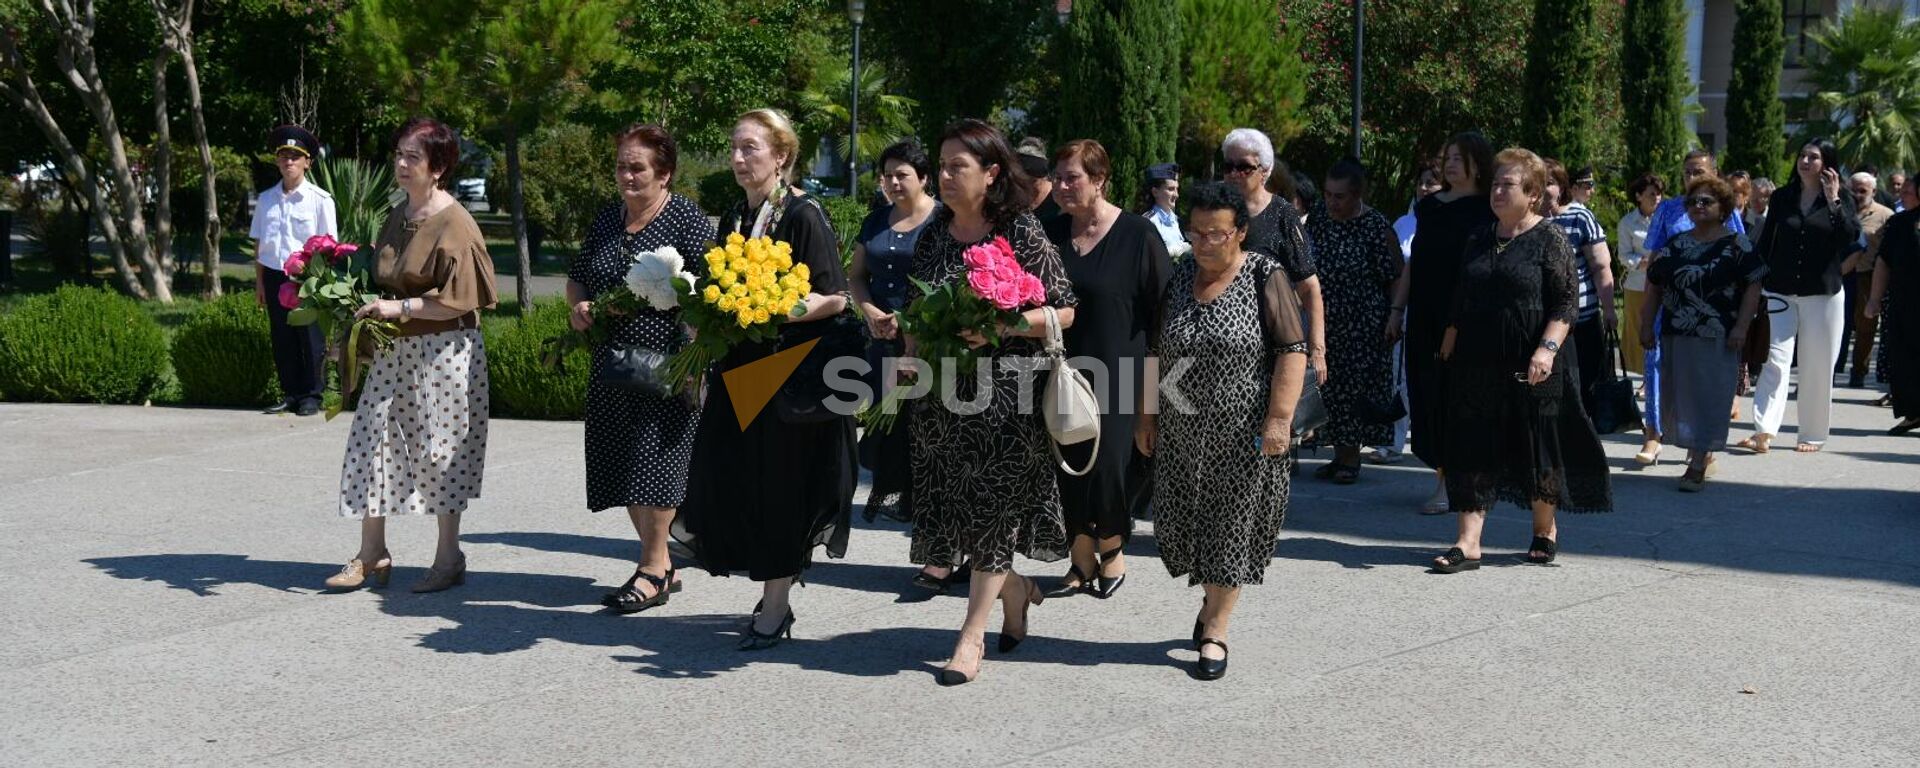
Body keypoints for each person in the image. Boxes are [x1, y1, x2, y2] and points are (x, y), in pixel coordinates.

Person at [672, 109, 856, 649]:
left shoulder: (803, 214)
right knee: (734, 482)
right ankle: (771, 587)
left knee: (780, 491)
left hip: (785, 379)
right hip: (739, 373)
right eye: (734, 148)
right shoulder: (734, 214)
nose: (737, 159)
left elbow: (835, 297)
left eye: (749, 148)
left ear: (781, 156)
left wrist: (772, 307)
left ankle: (776, 605)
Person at [909, 119, 1078, 685]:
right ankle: (1019, 591)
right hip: (940, 399)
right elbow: (917, 312)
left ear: (992, 173)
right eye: (943, 164)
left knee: (992, 517)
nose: (947, 175)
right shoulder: (933, 234)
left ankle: (970, 635)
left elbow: (1064, 310)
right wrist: (907, 363)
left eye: (960, 166)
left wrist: (1001, 324)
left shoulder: (1020, 231)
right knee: (959, 518)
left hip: (1007, 402)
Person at [1136, 182, 1307, 681]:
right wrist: (1147, 415)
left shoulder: (1263, 274)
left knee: (1231, 528)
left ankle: (1216, 625)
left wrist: (1279, 419)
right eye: (1196, 233)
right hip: (1182, 429)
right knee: (1186, 525)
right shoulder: (1180, 274)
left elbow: (1291, 351)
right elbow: (1154, 352)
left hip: (1244, 432)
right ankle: (1212, 600)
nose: (1205, 243)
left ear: (1241, 232)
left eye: (1217, 234)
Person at [327, 117, 497, 593]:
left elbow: (461, 299)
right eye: (398, 154)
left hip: (444, 352)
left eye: (412, 157)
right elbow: (383, 279)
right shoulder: (398, 214)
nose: (401, 164)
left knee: (440, 452)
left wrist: (398, 307)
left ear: (438, 166)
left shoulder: (456, 222)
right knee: (371, 444)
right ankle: (372, 553)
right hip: (394, 347)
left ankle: (449, 557)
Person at [1430, 148, 1612, 573]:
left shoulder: (1550, 239)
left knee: (1537, 441)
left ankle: (1543, 529)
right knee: (1472, 439)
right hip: (1477, 355)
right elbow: (1463, 291)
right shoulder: (1479, 236)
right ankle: (1468, 541)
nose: (1496, 190)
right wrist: (1450, 338)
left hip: (1534, 355)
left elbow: (1566, 303)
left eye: (1507, 184)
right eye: (1494, 183)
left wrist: (1546, 350)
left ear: (1532, 194)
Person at [565, 124, 715, 613]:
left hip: (670, 365)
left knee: (656, 466)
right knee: (623, 466)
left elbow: (714, 292)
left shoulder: (685, 219)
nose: (626, 176)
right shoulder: (608, 219)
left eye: (638, 167)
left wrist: (692, 340)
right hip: (612, 365)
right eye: (621, 166)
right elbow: (578, 277)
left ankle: (652, 567)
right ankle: (661, 562)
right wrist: (580, 308)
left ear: (665, 173)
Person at [1042, 139, 1171, 599]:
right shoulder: (1048, 232)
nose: (1060, 186)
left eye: (1071, 177)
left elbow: (1162, 323)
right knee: (1068, 464)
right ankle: (1079, 557)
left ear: (1099, 180)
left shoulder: (1138, 236)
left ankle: (1112, 548)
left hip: (1122, 375)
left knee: (1112, 467)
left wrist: (1150, 404)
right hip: (1058, 372)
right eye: (1056, 177)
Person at [849, 139, 942, 579]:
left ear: (924, 177)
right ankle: (926, 533)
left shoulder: (944, 221)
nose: (892, 182)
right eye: (886, 174)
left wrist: (915, 329)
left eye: (901, 174)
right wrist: (868, 310)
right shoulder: (874, 221)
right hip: (882, 345)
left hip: (931, 348)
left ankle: (940, 551)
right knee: (894, 437)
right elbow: (856, 277)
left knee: (931, 443)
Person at [1639, 177, 1767, 492]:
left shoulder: (1737, 243)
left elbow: (1753, 284)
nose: (1698, 206)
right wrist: (1645, 324)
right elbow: (1654, 284)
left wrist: (1742, 327)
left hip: (1718, 333)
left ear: (1723, 207)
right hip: (1676, 331)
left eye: (1706, 201)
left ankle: (1698, 460)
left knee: (1709, 395)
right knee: (1682, 395)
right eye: (1694, 201)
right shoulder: (1676, 244)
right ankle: (1701, 454)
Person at [1393, 131, 1497, 514]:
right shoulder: (1430, 206)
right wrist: (1396, 311)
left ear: (1477, 163)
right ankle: (1443, 475)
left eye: (1459, 157)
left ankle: (1457, 482)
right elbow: (1415, 262)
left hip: (1469, 317)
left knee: (1459, 398)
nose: (1449, 164)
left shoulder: (1488, 209)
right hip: (1425, 314)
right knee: (1427, 395)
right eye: (1447, 157)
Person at [1742, 138, 1860, 454]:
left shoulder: (1842, 199)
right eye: (1802, 156)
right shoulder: (1782, 197)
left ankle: (1812, 433)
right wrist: (1753, 279)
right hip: (1780, 290)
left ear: (1827, 164)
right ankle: (1764, 430)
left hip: (1823, 294)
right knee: (1774, 359)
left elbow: (1849, 237)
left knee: (1816, 365)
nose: (1805, 161)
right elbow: (1767, 241)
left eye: (1814, 157)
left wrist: (1833, 199)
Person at [1303, 158, 1403, 482]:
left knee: (1353, 388)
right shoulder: (1318, 216)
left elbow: (1397, 275)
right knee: (1327, 388)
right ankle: (1337, 455)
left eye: (1340, 196)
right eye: (1328, 194)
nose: (1332, 201)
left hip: (1364, 323)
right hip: (1325, 318)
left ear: (1357, 194)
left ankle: (1350, 459)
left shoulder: (1375, 225)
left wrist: (1394, 316)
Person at [1219, 129, 1326, 386]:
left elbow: (1309, 287)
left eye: (1244, 167)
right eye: (1228, 166)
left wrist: (1317, 349)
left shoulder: (1282, 215)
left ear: (1265, 171)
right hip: (1220, 342)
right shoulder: (1214, 209)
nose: (1234, 174)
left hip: (1268, 346)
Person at [250, 124, 336, 417]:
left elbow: (329, 246)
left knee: (310, 337)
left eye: (295, 157)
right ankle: (291, 392)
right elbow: (261, 245)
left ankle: (313, 394)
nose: (289, 162)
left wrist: (322, 283)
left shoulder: (320, 200)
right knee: (283, 338)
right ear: (277, 160)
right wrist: (260, 283)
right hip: (275, 275)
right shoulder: (265, 200)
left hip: (307, 278)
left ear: (307, 162)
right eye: (284, 156)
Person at [1373, 162, 1443, 465]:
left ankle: (1437, 442)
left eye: (1433, 182)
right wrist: (1395, 311)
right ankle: (1394, 442)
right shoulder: (1403, 222)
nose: (1425, 187)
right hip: (1407, 308)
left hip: (1441, 310)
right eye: (1422, 181)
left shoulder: (1449, 221)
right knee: (1400, 376)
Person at [1543, 158, 1616, 421]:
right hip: (1543, 321)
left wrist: (1609, 309)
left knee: (1585, 385)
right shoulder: (1529, 220)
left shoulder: (1580, 216)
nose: (1542, 189)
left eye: (1549, 183)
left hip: (1581, 318)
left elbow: (1601, 267)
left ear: (1562, 186)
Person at [1867, 183, 1920, 433]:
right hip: (1904, 302)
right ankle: (1913, 413)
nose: (1904, 194)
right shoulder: (1900, 224)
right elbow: (1883, 263)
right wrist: (1874, 299)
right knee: (1904, 358)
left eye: (1910, 190)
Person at [1841, 172, 1895, 389]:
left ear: (1873, 191)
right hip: (1842, 274)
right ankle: (1831, 370)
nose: (1857, 194)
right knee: (1839, 325)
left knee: (1865, 327)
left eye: (1862, 190)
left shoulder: (1886, 216)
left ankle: (1858, 373)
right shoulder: (1839, 210)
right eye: (1853, 189)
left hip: (1868, 276)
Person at [1618, 173, 1665, 373]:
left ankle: (1659, 374)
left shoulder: (1666, 219)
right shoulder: (1627, 223)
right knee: (1639, 331)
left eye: (1659, 194)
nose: (1657, 198)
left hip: (1663, 285)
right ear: (1638, 196)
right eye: (1652, 194)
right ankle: (1644, 375)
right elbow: (1623, 255)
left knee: (1660, 331)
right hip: (1637, 286)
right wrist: (1642, 263)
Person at [1137, 162, 1189, 258]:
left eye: (1177, 189)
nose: (1176, 195)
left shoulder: (1177, 221)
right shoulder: (1148, 222)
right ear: (1155, 192)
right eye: (1171, 189)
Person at [1017, 137, 1062, 225]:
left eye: (1033, 181)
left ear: (1044, 176)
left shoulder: (1059, 196)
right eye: (1020, 179)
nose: (1026, 184)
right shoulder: (1014, 199)